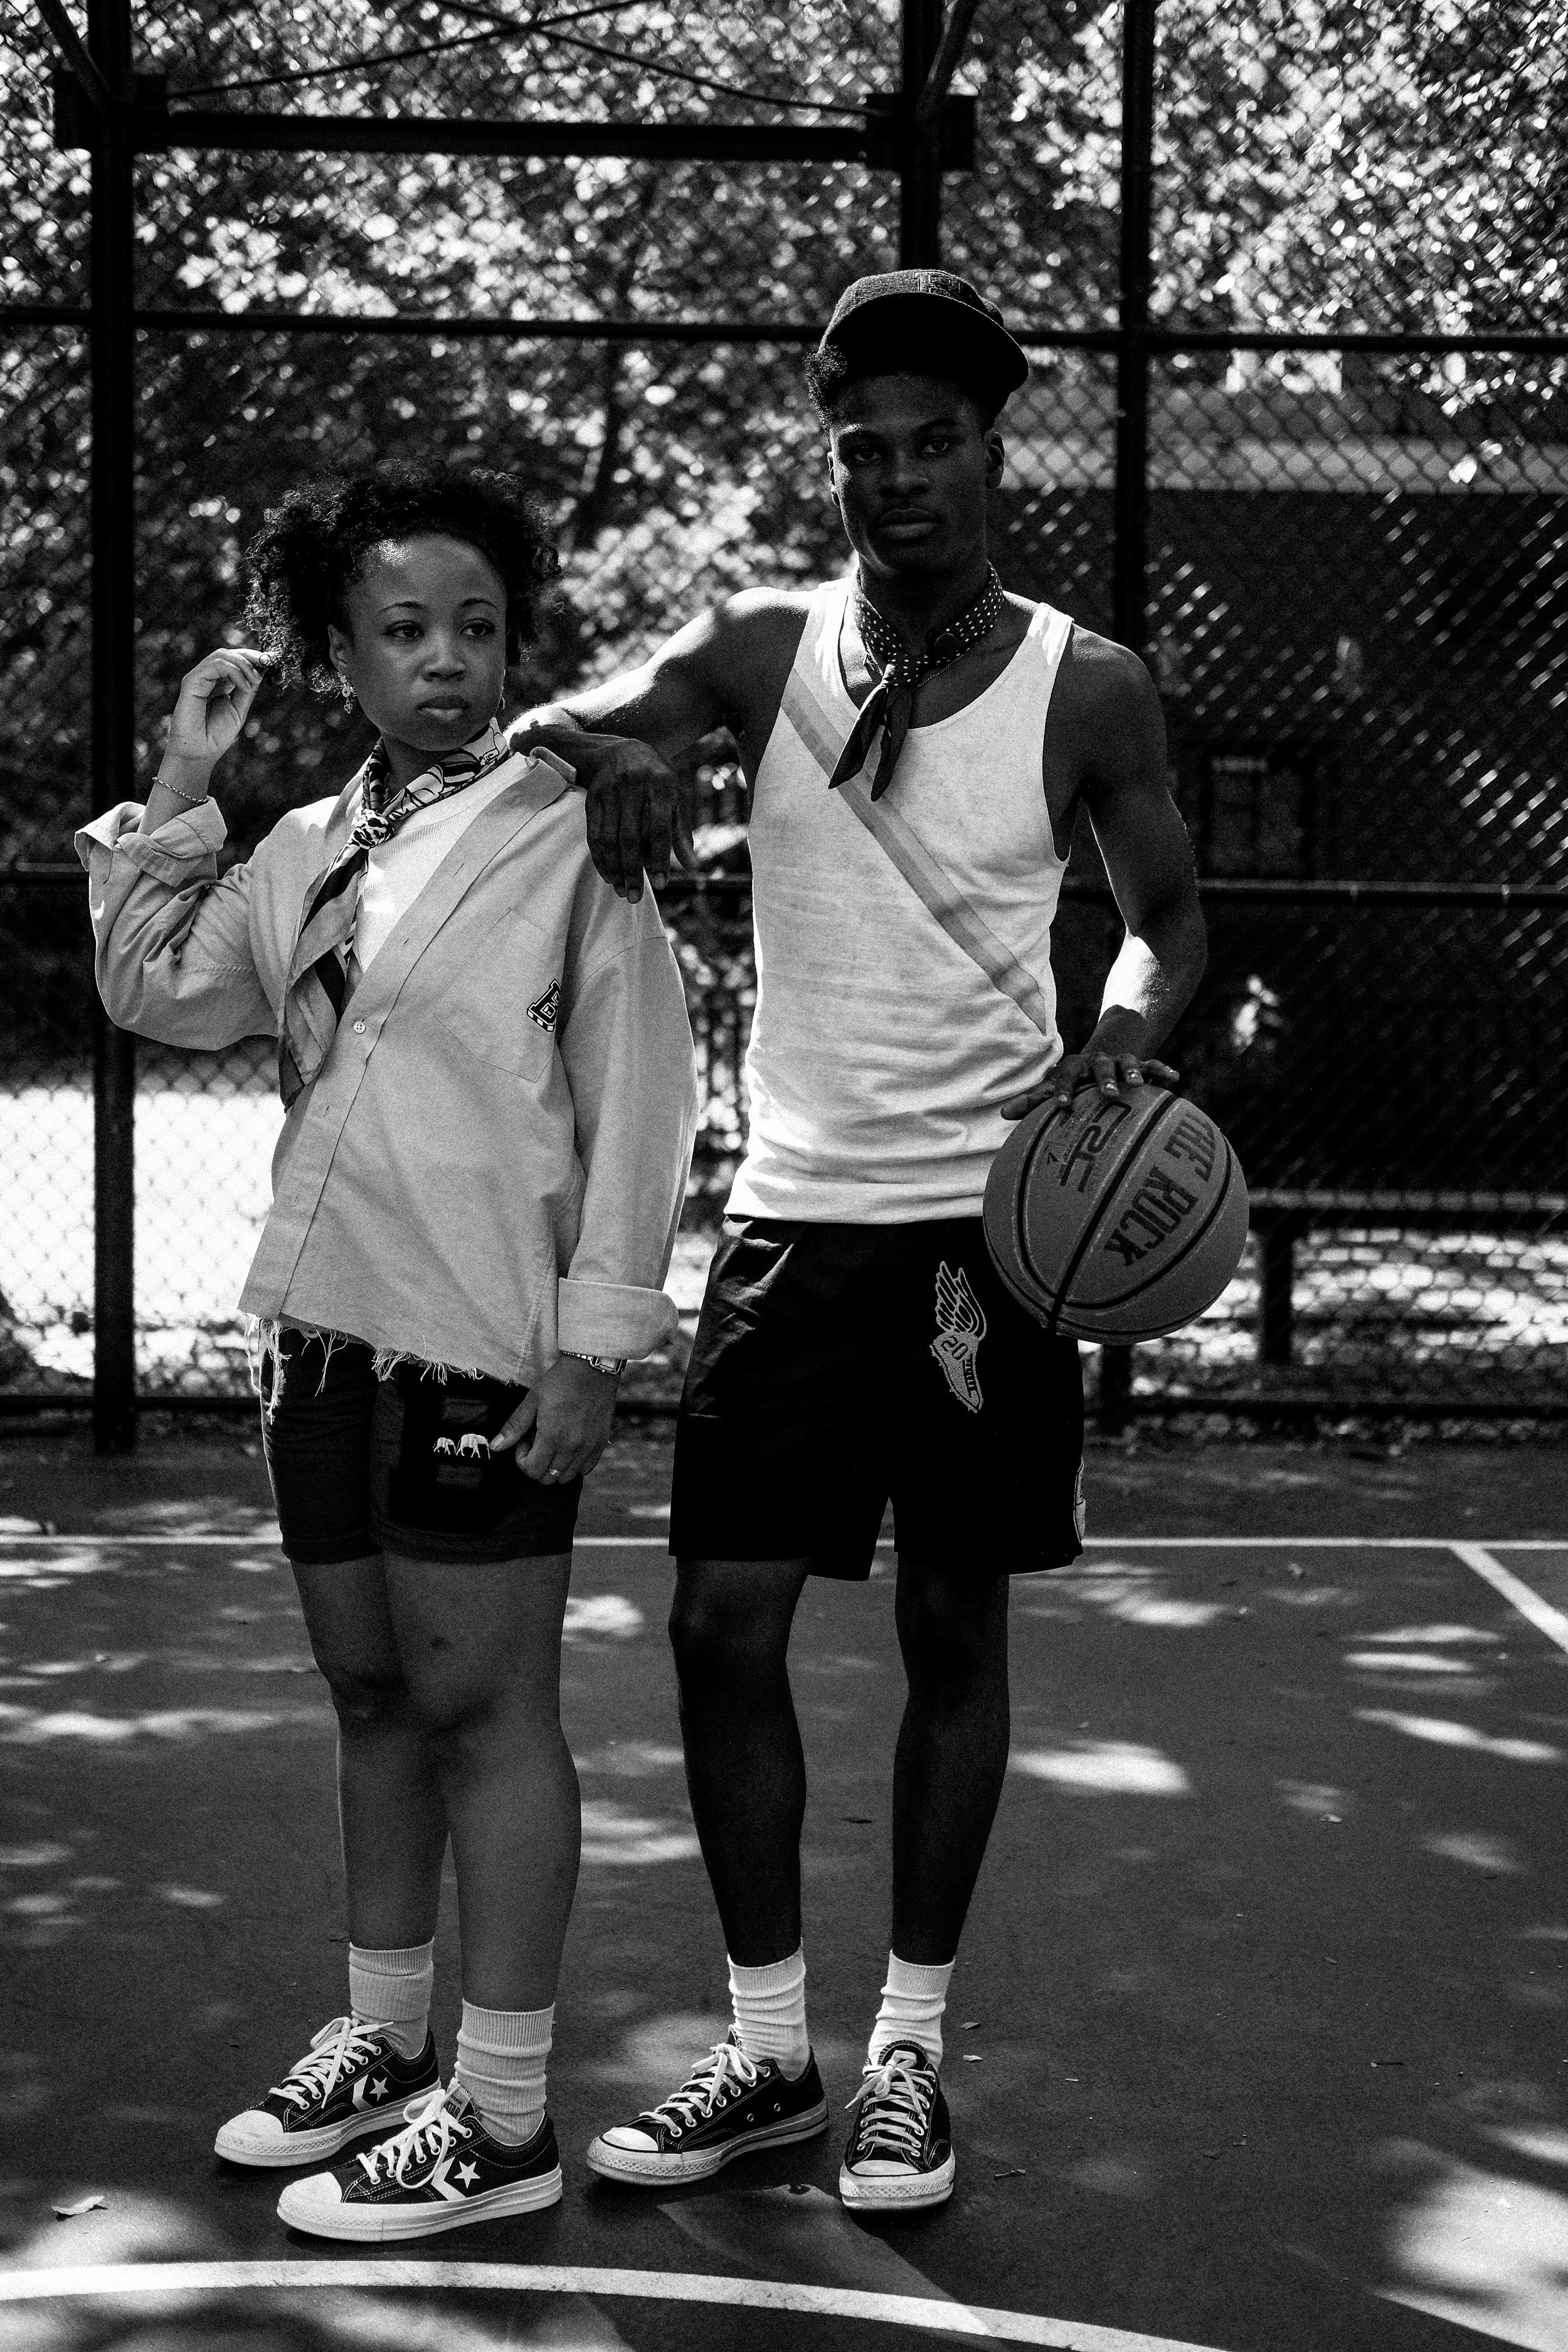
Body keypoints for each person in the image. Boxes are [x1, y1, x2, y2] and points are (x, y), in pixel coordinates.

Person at [504, 271, 1209, 2212]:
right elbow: (576, 717)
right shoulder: (759, 647)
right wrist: (614, 746)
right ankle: (759, 2051)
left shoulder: (1089, 684)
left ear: (993, 450)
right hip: (792, 1224)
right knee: (720, 1624)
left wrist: (1118, 1048)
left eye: (928, 444)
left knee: (947, 1626)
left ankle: (905, 2053)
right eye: (860, 450)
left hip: (991, 1237)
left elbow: (1165, 921)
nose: (892, 481)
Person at [77, 461, 697, 2240]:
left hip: (482, 1345)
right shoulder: (301, 848)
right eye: (404, 630)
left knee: (489, 1708)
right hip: (325, 1347)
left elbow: (641, 1099)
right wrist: (184, 785)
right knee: (372, 1696)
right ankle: (382, 2033)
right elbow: (155, 990)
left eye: (477, 627)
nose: (446, 659)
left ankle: (500, 2118)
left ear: (515, 643)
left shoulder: (580, 833)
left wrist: (592, 1345)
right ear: (338, 654)